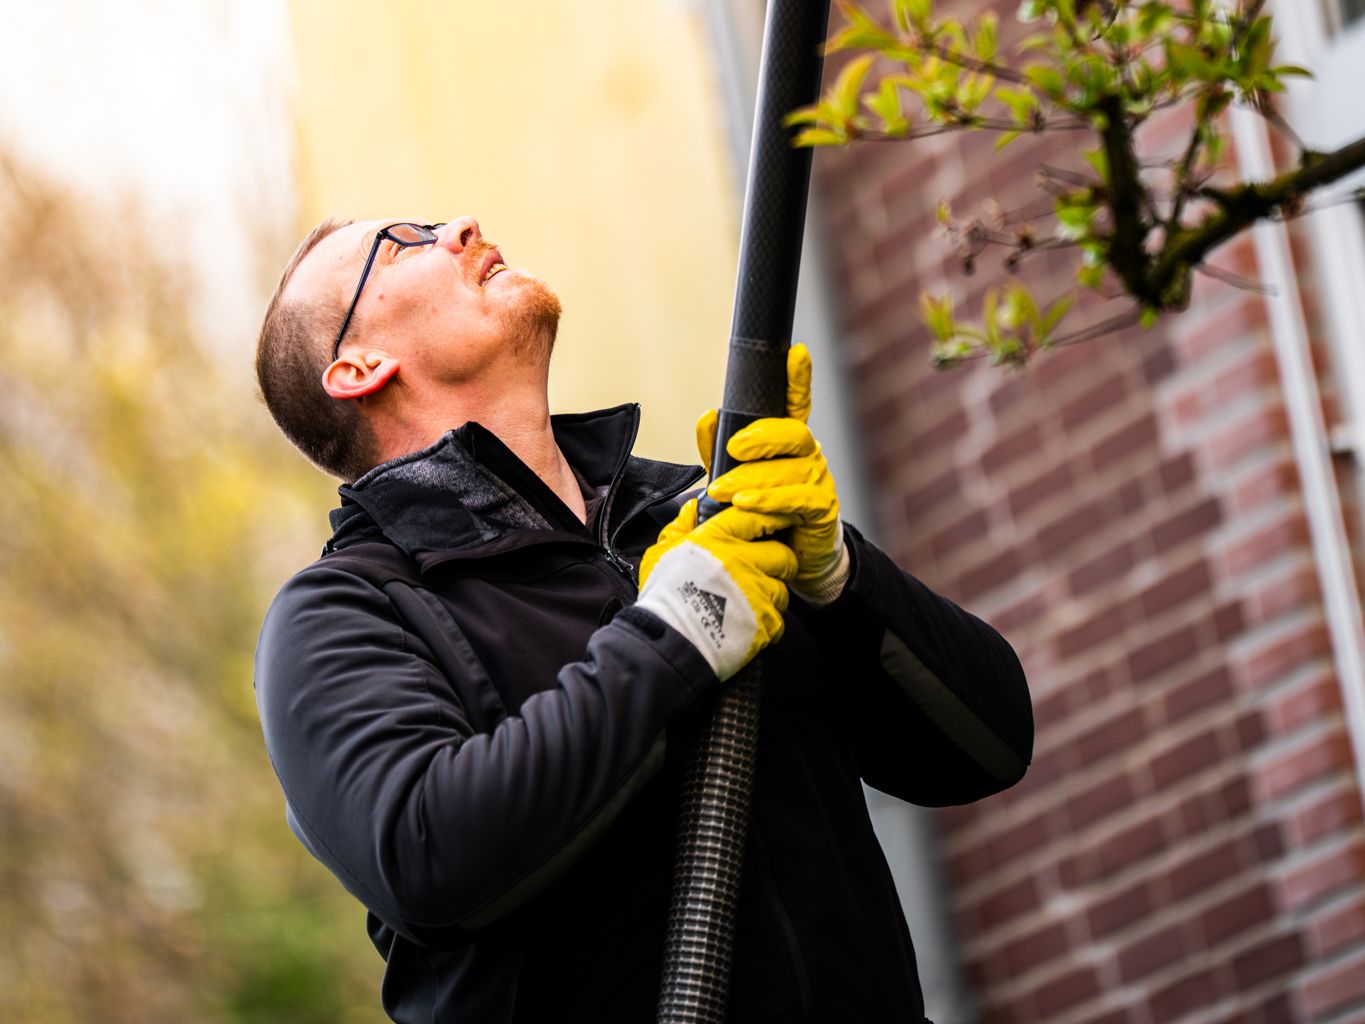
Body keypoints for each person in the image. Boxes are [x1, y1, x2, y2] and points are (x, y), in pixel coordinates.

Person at [253, 215, 1033, 1023]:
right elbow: (430, 859)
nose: (460, 226)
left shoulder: (700, 519)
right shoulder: (343, 615)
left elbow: (990, 744)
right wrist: (676, 632)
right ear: (358, 367)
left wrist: (837, 571)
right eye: (404, 242)